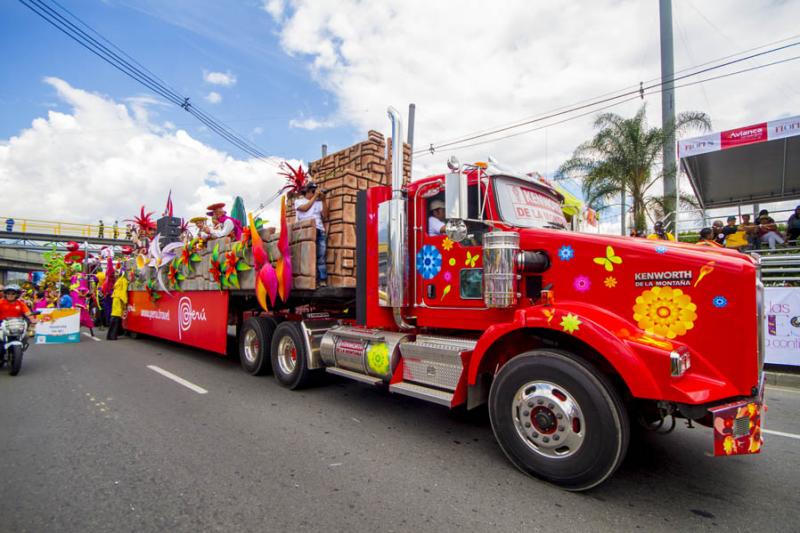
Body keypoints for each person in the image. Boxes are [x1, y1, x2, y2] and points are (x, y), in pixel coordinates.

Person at [295, 180, 329, 287]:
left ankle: (322, 280)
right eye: (313, 191)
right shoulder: (299, 201)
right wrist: (315, 198)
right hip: (306, 230)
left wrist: (323, 201)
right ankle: (311, 281)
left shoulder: (319, 203)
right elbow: (305, 209)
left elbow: (325, 216)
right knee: (308, 257)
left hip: (319, 230)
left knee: (321, 256)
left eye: (316, 191)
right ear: (307, 191)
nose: (315, 193)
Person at [107, 272, 128, 340]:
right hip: (119, 298)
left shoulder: (118, 280)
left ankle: (111, 335)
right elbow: (124, 291)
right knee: (116, 316)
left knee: (114, 315)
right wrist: (125, 301)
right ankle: (113, 336)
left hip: (116, 298)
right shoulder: (123, 280)